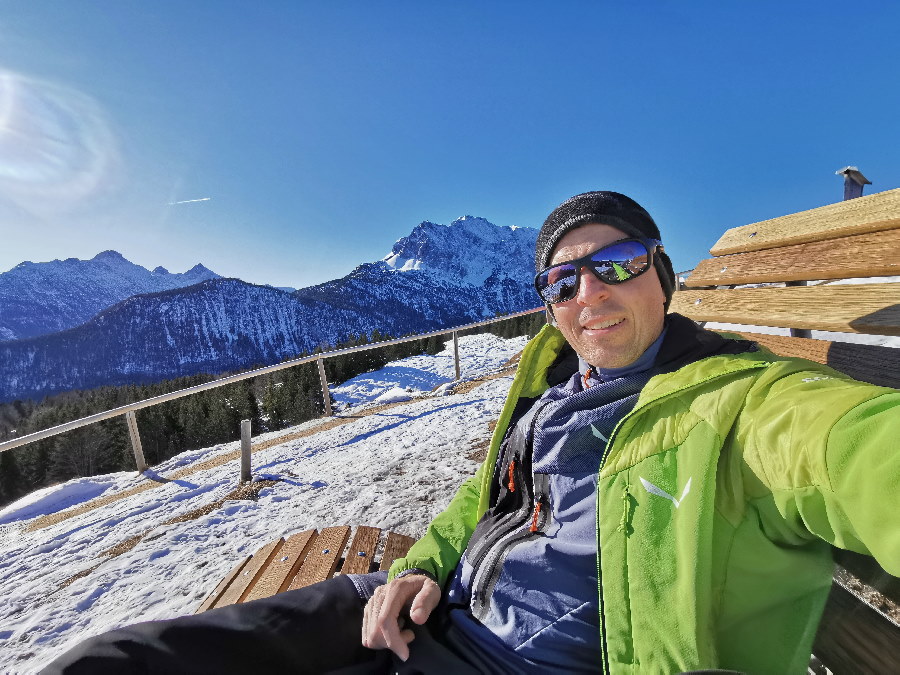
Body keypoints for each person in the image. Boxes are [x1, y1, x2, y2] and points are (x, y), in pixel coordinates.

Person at [46, 192, 900, 674]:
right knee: (117, 661)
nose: (590, 294)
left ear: (661, 276)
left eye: (617, 263)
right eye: (564, 282)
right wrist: (418, 565)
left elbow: (853, 449)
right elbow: (486, 497)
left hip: (506, 665)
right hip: (427, 608)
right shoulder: (560, 380)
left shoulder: (744, 405)